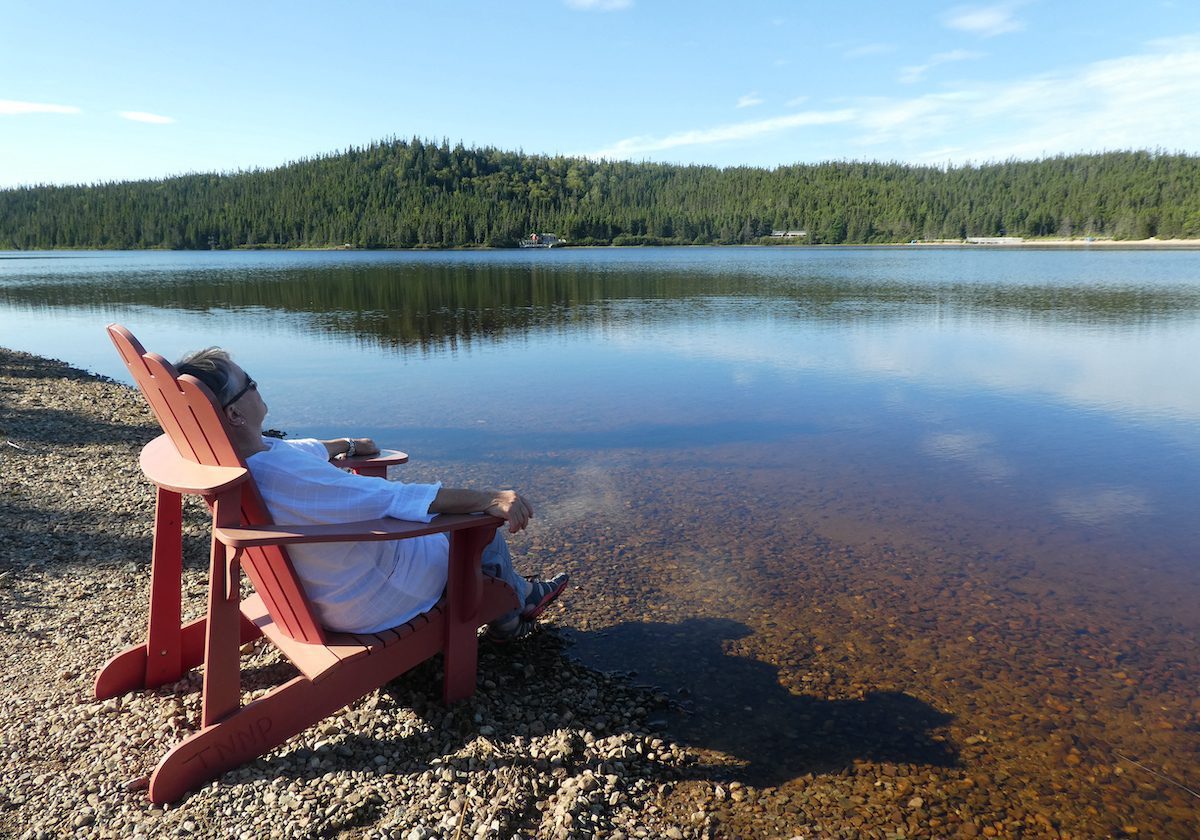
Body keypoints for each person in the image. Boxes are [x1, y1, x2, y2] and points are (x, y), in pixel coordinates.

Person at [175, 348, 567, 641]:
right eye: (250, 384)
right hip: (372, 599)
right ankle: (514, 614)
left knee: (451, 524)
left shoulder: (248, 458)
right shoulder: (289, 476)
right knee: (482, 531)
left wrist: (346, 444)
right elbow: (395, 499)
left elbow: (298, 449)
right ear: (234, 415)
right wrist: (490, 498)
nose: (257, 385)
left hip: (318, 591)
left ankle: (516, 593)